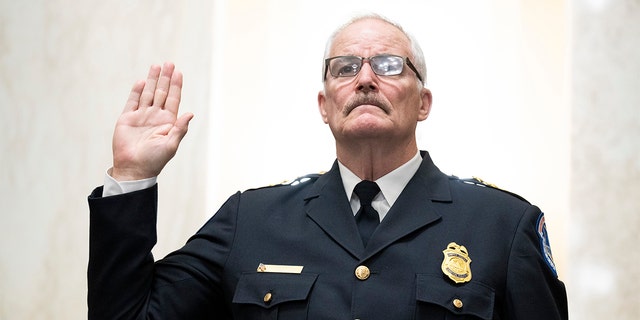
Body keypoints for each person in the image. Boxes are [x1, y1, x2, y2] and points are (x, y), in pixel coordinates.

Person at [87, 14, 568, 319]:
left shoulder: (503, 226)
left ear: (423, 103)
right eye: (344, 68)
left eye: (388, 65)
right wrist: (131, 176)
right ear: (324, 104)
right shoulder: (249, 220)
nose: (364, 79)